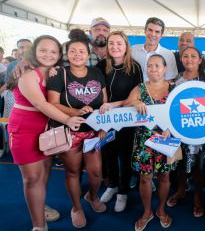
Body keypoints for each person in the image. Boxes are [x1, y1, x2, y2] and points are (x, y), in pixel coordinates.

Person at [7, 35, 85, 231]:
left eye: (53, 51)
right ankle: (39, 226)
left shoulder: (56, 72)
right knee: (32, 178)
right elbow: (40, 103)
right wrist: (67, 119)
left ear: (59, 55)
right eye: (43, 50)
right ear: (34, 51)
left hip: (47, 130)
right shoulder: (27, 73)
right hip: (24, 130)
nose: (48, 55)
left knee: (44, 173)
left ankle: (39, 206)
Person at [47, 31, 107, 228]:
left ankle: (91, 196)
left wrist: (103, 125)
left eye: (82, 51)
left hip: (92, 131)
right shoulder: (59, 74)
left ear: (88, 53)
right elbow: (52, 103)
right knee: (72, 172)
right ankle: (76, 207)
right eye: (73, 51)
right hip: (69, 131)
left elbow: (104, 102)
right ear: (67, 53)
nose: (78, 54)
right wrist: (76, 111)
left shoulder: (97, 73)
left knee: (96, 171)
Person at [124, 54, 175, 231]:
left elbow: (182, 115)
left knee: (164, 177)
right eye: (150, 66)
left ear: (165, 68)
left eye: (157, 66)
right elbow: (125, 105)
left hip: (167, 139)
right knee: (145, 178)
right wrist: (135, 102)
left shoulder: (174, 88)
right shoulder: (140, 88)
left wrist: (173, 129)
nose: (153, 69)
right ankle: (147, 212)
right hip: (144, 141)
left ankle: (161, 209)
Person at [166, 46, 205, 217]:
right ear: (181, 59)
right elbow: (171, 108)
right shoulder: (175, 81)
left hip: (203, 132)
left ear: (200, 60)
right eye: (185, 56)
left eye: (193, 56)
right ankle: (180, 190)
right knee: (181, 165)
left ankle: (197, 197)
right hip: (181, 132)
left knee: (200, 167)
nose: (189, 59)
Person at [97, 31, 143, 212]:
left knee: (124, 155)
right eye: (111, 43)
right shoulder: (101, 66)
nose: (115, 47)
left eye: (119, 43)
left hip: (126, 117)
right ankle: (112, 185)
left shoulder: (135, 67)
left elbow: (136, 96)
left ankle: (123, 191)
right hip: (105, 116)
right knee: (108, 152)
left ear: (126, 46)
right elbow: (97, 92)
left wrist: (115, 105)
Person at [132, 17, 178, 82]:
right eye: (150, 30)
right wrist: (143, 91)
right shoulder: (133, 50)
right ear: (145, 31)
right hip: (134, 91)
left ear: (161, 35)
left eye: (157, 32)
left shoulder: (168, 55)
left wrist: (145, 91)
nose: (153, 34)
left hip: (159, 91)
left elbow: (169, 80)